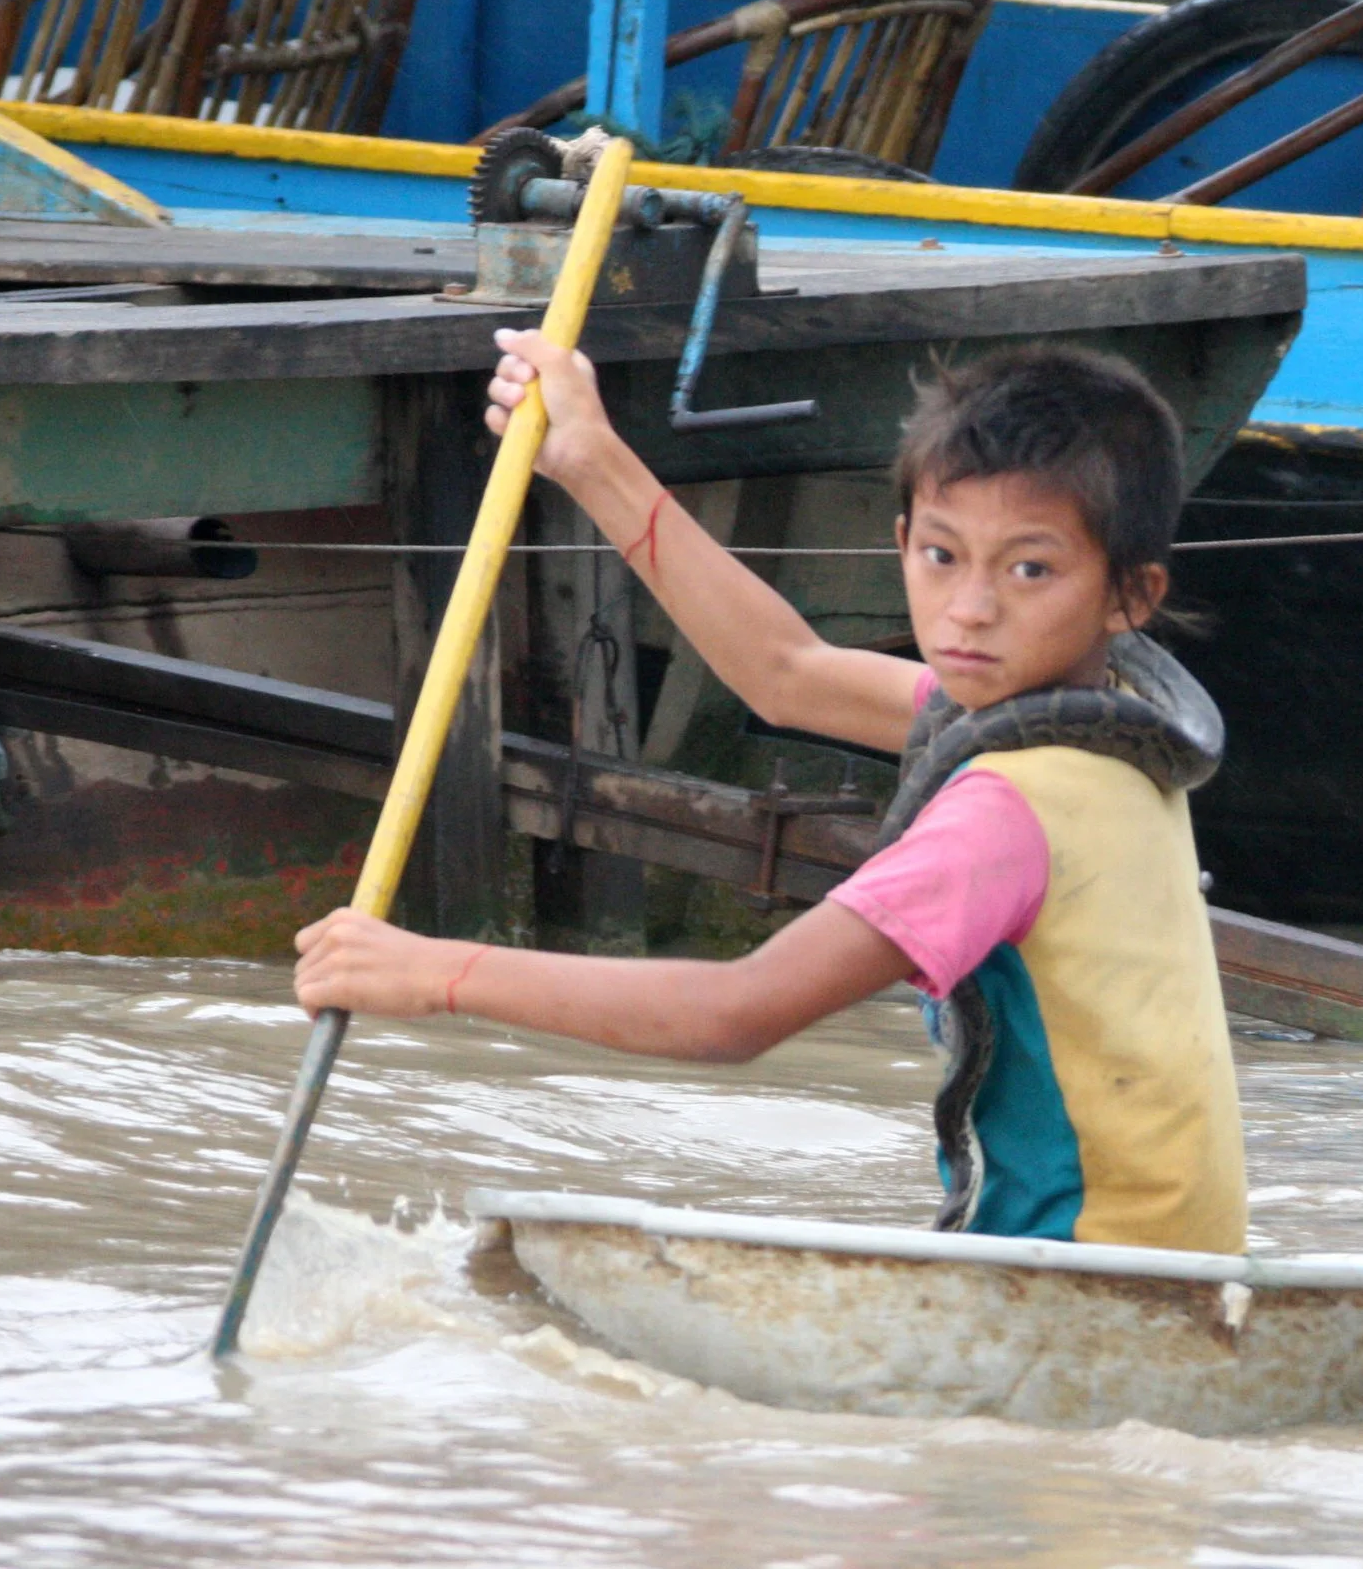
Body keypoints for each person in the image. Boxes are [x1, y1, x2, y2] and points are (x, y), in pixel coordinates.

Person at [294, 332, 1246, 1254]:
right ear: (903, 539)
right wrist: (591, 461)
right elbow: (785, 671)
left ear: (1130, 597)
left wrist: (435, 975)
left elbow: (734, 1013)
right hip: (1170, 1263)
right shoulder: (1101, 714)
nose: (969, 610)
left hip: (1087, 1282)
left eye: (1030, 569)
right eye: (942, 555)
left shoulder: (1005, 809)